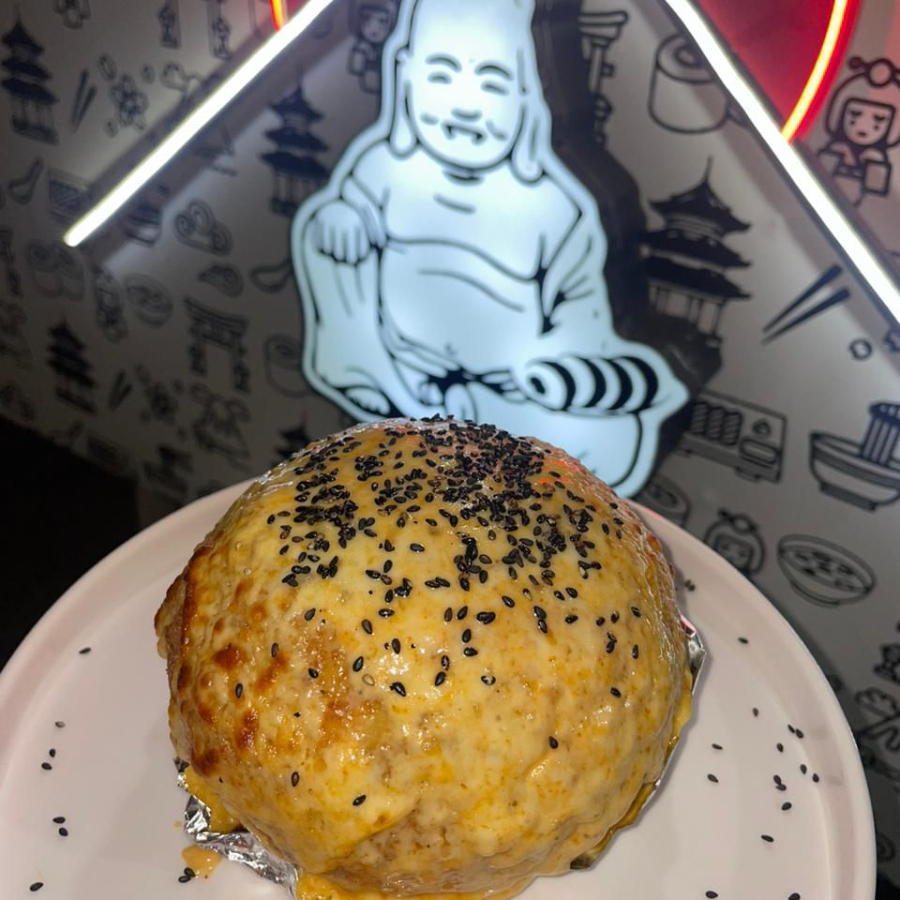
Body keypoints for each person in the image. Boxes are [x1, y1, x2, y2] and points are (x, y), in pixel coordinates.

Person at [292, 0, 687, 495]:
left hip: (508, 397)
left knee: (612, 437)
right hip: (402, 377)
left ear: (527, 95)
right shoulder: (381, 169)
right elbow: (343, 243)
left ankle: (486, 446)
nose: (466, 105)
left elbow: (578, 318)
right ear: (406, 76)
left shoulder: (554, 208)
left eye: (493, 83)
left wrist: (559, 375)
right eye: (441, 75)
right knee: (328, 235)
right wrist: (343, 218)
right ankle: (391, 404)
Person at [819, 57, 900, 206]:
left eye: (879, 120)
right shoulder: (835, 148)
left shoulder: (877, 158)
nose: (864, 125)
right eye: (855, 114)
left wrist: (872, 163)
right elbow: (818, 173)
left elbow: (876, 187)